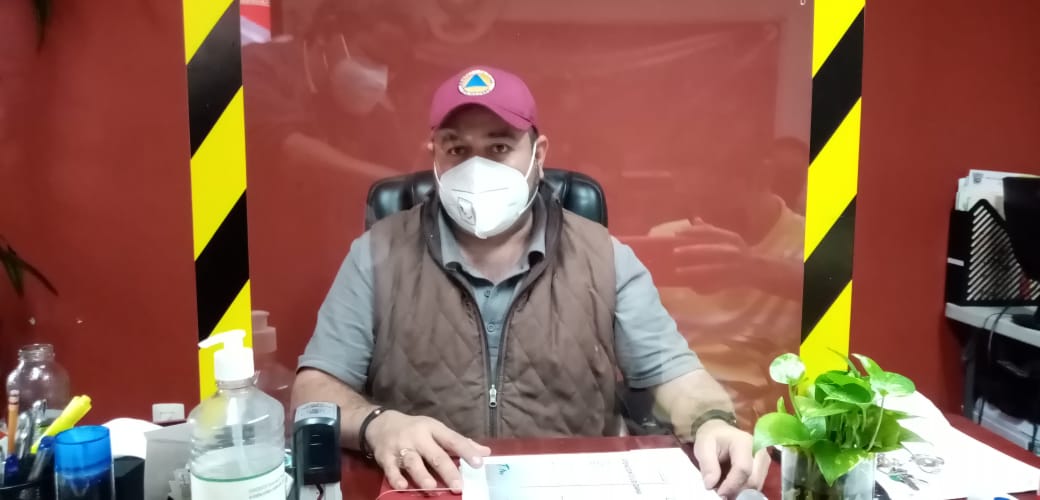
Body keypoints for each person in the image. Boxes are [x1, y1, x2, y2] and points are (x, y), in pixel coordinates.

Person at [292, 66, 769, 496]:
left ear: (538, 154)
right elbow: (313, 391)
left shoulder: (605, 258)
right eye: (457, 149)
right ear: (434, 156)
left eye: (499, 147)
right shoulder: (376, 254)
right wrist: (378, 424)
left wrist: (713, 422)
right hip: (429, 487)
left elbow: (674, 374)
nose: (476, 167)